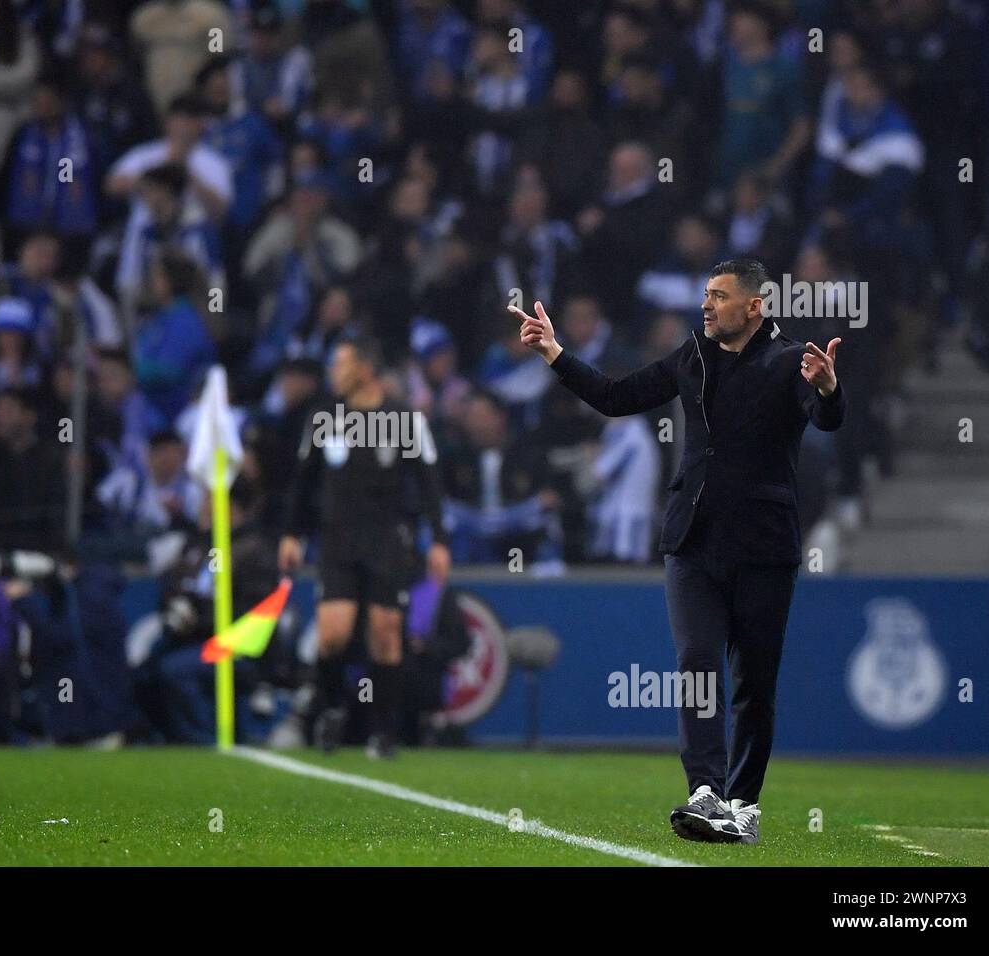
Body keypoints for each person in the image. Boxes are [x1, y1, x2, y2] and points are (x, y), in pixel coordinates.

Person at [511, 258, 845, 844]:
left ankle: (744, 803)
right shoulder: (693, 355)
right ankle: (705, 790)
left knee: (754, 682)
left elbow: (825, 418)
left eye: (718, 296)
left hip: (765, 545)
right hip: (692, 540)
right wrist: (555, 354)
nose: (706, 305)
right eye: (705, 296)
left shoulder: (792, 360)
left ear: (755, 306)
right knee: (696, 662)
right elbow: (617, 396)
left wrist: (829, 389)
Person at [278, 336, 449, 758]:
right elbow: (301, 482)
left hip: (388, 541)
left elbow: (429, 483)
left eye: (341, 364)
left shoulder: (404, 419)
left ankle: (383, 731)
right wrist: (291, 534)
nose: (333, 372)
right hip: (336, 541)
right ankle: (332, 709)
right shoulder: (323, 418)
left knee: (385, 634)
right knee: (333, 635)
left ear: (366, 369)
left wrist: (439, 539)